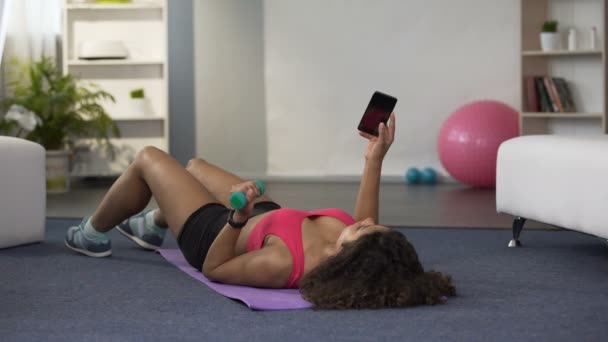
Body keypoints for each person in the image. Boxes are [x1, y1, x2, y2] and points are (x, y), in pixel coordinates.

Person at [65, 113, 455, 309]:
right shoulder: (351, 240)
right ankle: (152, 224)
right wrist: (375, 157)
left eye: (365, 230)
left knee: (149, 160)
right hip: (266, 215)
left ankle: (91, 233)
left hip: (218, 233)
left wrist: (237, 217)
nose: (366, 222)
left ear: (350, 256)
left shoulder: (282, 263)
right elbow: (365, 220)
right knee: (195, 167)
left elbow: (215, 269)